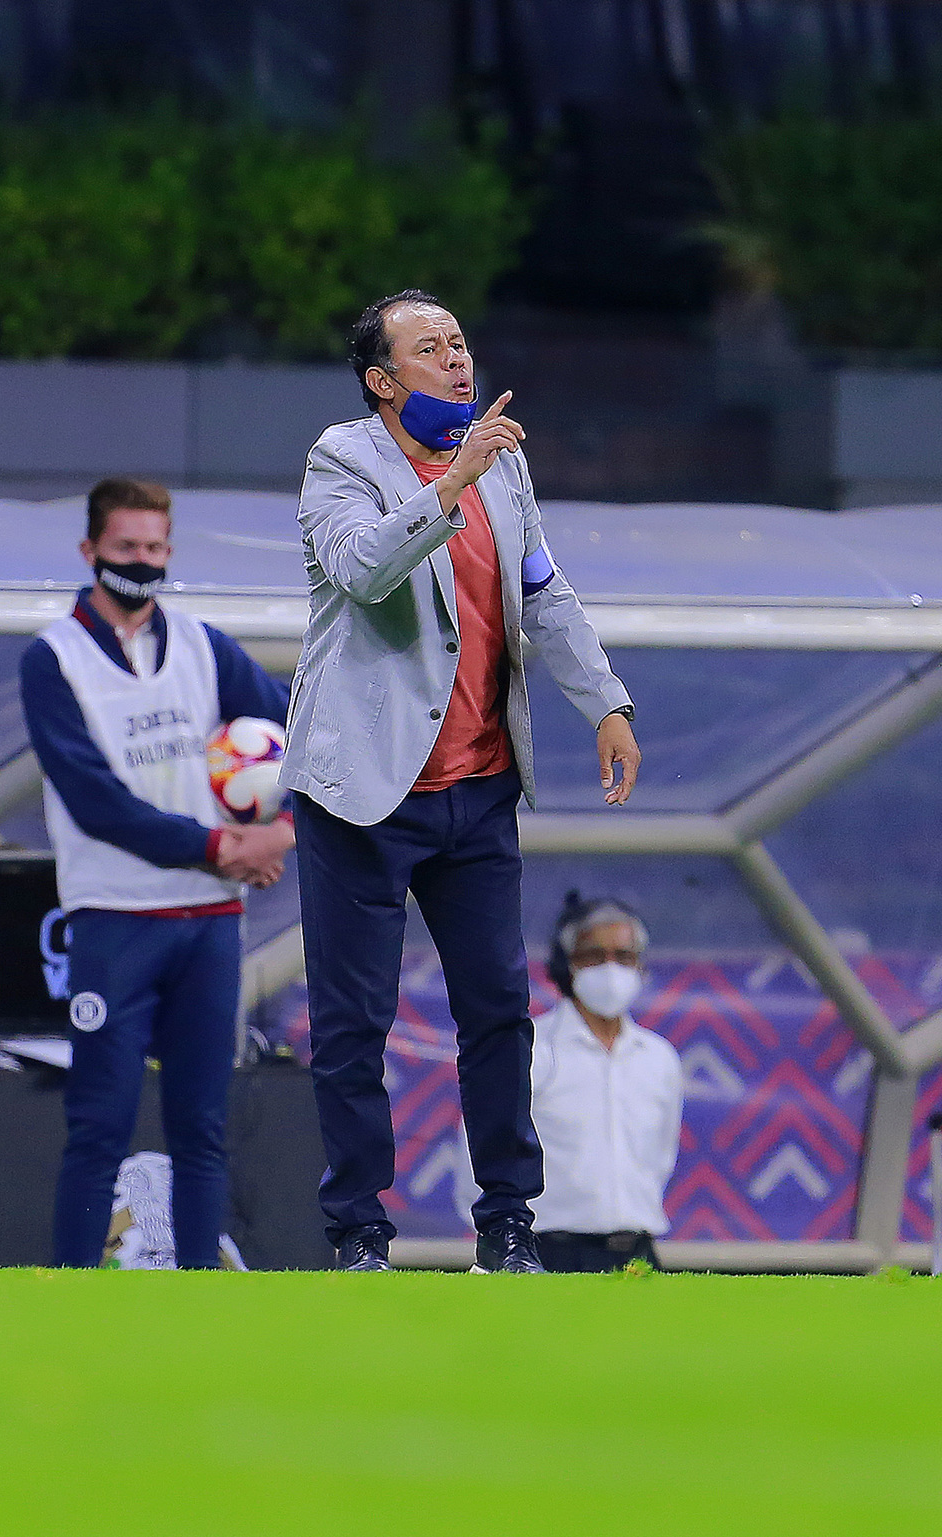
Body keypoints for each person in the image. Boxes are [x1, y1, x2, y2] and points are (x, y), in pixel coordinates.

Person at [281, 289, 641, 1273]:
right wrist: (450, 483)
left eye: (459, 343)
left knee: (497, 1010)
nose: (455, 360)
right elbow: (363, 570)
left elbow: (542, 589)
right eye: (430, 349)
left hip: (478, 785)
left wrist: (606, 704)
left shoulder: (502, 463)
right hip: (364, 792)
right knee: (354, 1022)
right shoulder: (340, 461)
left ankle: (508, 1226)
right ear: (381, 381)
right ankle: (359, 1233)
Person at [20, 477, 294, 1269]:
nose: (142, 561)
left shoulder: (206, 646)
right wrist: (221, 847)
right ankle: (75, 1298)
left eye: (154, 547)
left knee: (202, 1127)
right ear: (90, 550)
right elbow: (95, 800)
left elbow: (304, 735)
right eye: (126, 546)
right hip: (114, 917)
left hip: (209, 921)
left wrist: (279, 830)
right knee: (98, 1123)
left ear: (170, 550)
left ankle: (197, 1295)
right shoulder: (54, 658)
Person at [531, 894, 683, 1272]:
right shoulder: (530, 1049)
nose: (611, 969)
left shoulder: (659, 1057)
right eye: (594, 956)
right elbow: (480, 1156)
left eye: (624, 957)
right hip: (549, 1254)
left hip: (638, 1256)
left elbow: (661, 1158)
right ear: (567, 965)